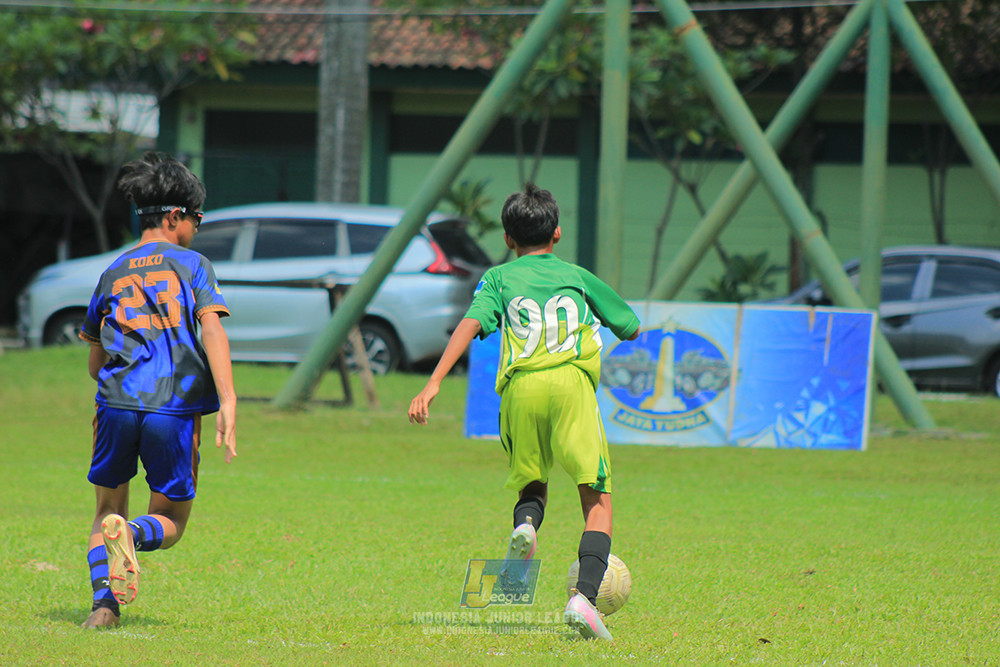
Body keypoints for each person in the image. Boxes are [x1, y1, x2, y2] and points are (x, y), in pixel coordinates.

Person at [408, 183, 640, 640]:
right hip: (571, 385)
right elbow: (630, 327)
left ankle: (526, 527)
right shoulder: (577, 276)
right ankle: (584, 599)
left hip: (521, 389)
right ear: (557, 233)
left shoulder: (498, 279)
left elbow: (470, 324)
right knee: (597, 499)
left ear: (508, 239)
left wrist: (433, 383)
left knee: (533, 484)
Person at [78, 152, 237, 630]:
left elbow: (95, 363)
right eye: (196, 219)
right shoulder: (193, 265)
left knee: (106, 509)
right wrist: (229, 399)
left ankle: (103, 608)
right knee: (170, 521)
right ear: (174, 216)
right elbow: (212, 327)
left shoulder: (113, 270)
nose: (197, 229)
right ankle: (132, 534)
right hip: (173, 406)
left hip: (115, 404)